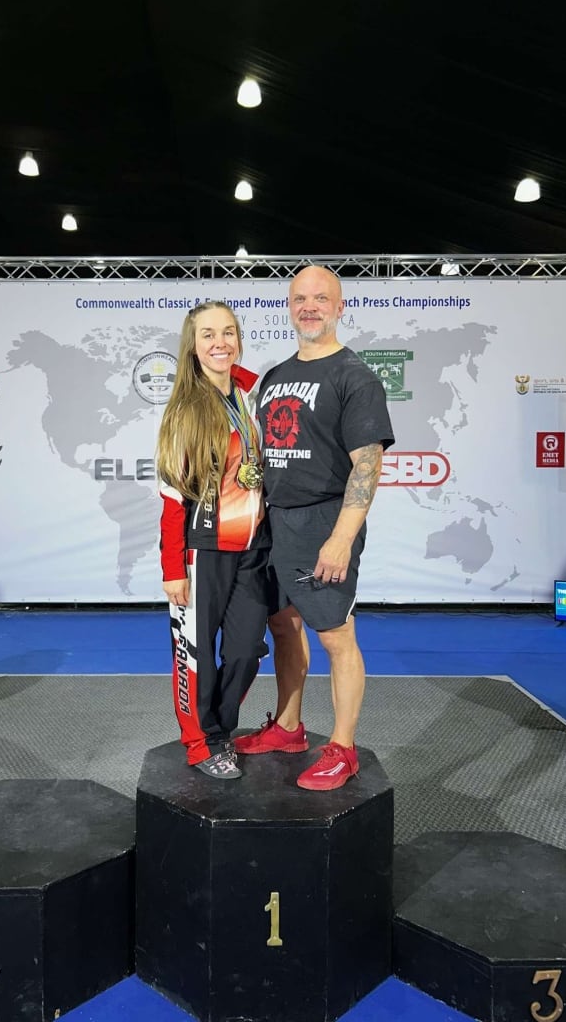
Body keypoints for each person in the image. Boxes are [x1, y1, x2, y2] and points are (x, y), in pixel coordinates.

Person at [234, 266, 394, 790]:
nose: (309, 306)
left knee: (336, 636)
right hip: (273, 523)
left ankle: (342, 748)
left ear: (340, 306)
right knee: (283, 625)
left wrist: (341, 537)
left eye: (320, 298)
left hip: (323, 523)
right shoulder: (275, 376)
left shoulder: (356, 377)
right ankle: (287, 728)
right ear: (289, 305)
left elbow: (366, 467)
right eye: (300, 298)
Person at [157, 301, 270, 779]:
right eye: (208, 334)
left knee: (246, 651)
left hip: (252, 551)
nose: (220, 342)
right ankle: (200, 744)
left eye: (228, 332)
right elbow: (169, 498)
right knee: (196, 655)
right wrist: (172, 569)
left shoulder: (247, 395)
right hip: (202, 550)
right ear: (193, 345)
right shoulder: (187, 409)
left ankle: (222, 728)